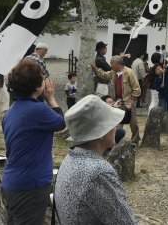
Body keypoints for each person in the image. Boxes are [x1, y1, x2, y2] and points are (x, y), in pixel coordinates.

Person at [54, 95, 138, 224]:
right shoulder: (99, 172)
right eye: (111, 123)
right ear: (100, 133)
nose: (116, 127)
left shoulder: (70, 158)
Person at [1, 59, 65, 225]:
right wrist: (51, 99)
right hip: (31, 184)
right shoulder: (38, 110)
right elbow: (61, 123)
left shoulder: (12, 110)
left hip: (12, 180)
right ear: (38, 86)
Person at [91, 55, 141, 145]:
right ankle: (117, 139)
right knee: (117, 120)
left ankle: (135, 139)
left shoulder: (129, 72)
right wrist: (95, 68)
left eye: (112, 63)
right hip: (118, 99)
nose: (111, 65)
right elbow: (104, 75)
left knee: (133, 121)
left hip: (129, 99)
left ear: (118, 63)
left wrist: (132, 99)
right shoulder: (113, 72)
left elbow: (137, 88)